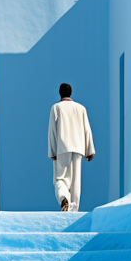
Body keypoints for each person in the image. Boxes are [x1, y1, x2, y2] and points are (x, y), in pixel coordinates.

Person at [48, 83, 95, 211]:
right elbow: (87, 129)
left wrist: (52, 151)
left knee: (60, 179)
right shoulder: (81, 108)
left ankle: (64, 198)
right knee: (75, 183)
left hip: (62, 148)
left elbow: (52, 131)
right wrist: (89, 150)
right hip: (78, 148)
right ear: (70, 93)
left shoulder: (56, 107)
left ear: (60, 93)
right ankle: (73, 210)